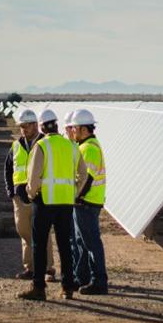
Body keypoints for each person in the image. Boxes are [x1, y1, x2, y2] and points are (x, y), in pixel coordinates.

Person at [17, 108, 87, 301]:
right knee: (65, 245)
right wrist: (73, 193)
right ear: (56, 124)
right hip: (65, 203)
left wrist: (31, 195)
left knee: (39, 245)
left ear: (41, 126)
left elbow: (33, 177)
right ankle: (67, 287)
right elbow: (83, 174)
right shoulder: (71, 146)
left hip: (44, 202)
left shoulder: (41, 146)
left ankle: (38, 288)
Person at [3, 109, 55, 281]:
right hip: (20, 197)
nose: (23, 129)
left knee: (43, 232)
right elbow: (8, 169)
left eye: (26, 126)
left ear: (35, 125)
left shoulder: (45, 143)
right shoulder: (16, 145)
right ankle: (30, 268)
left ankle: (48, 269)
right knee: (24, 231)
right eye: (21, 126)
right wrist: (11, 192)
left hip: (41, 196)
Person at [69, 108, 108, 295]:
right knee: (82, 243)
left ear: (84, 129)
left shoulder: (88, 148)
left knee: (91, 243)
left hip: (87, 203)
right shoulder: (86, 146)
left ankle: (99, 281)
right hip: (87, 202)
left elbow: (87, 179)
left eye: (75, 128)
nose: (72, 131)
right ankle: (82, 278)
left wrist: (76, 197)